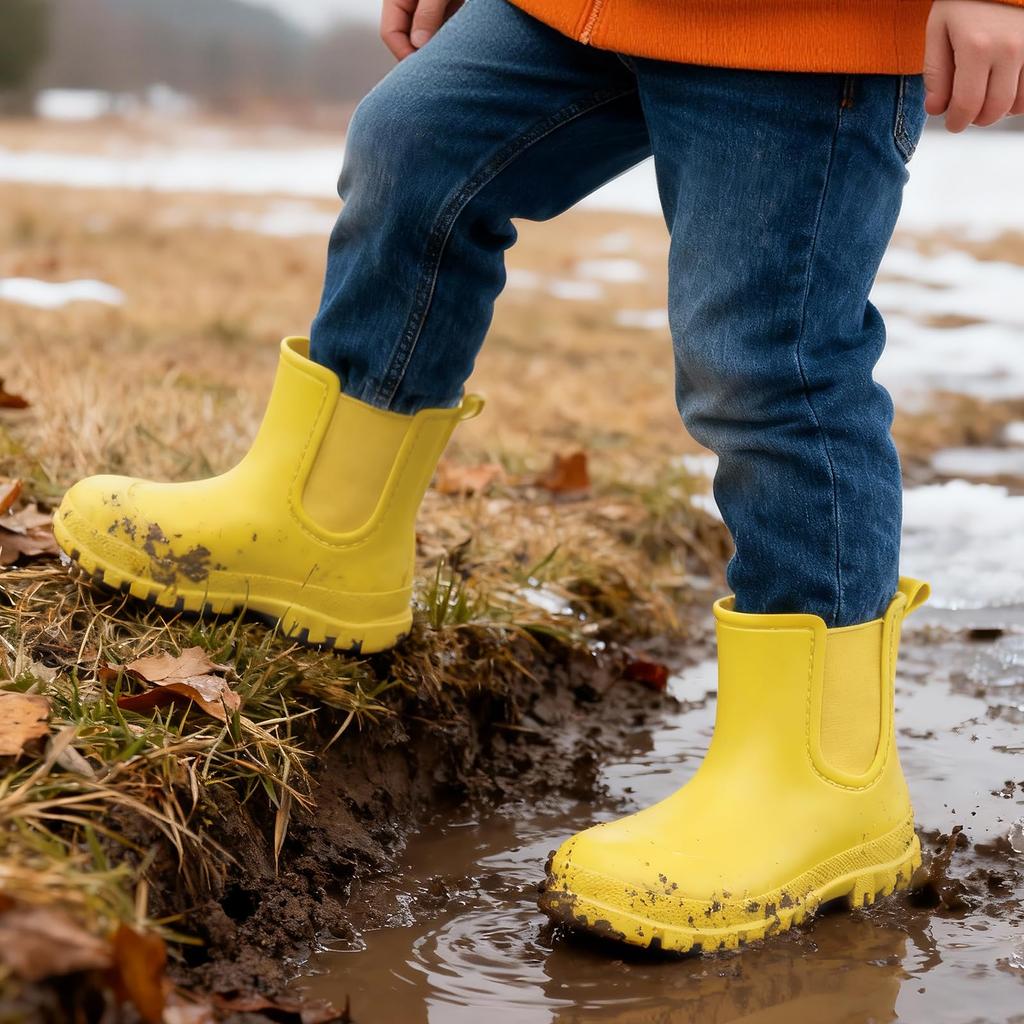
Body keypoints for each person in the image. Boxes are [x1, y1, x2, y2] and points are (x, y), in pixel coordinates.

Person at [54, 0, 1024, 954]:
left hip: (808, 26)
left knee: (764, 359)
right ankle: (323, 528)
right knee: (415, 151)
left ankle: (823, 781)